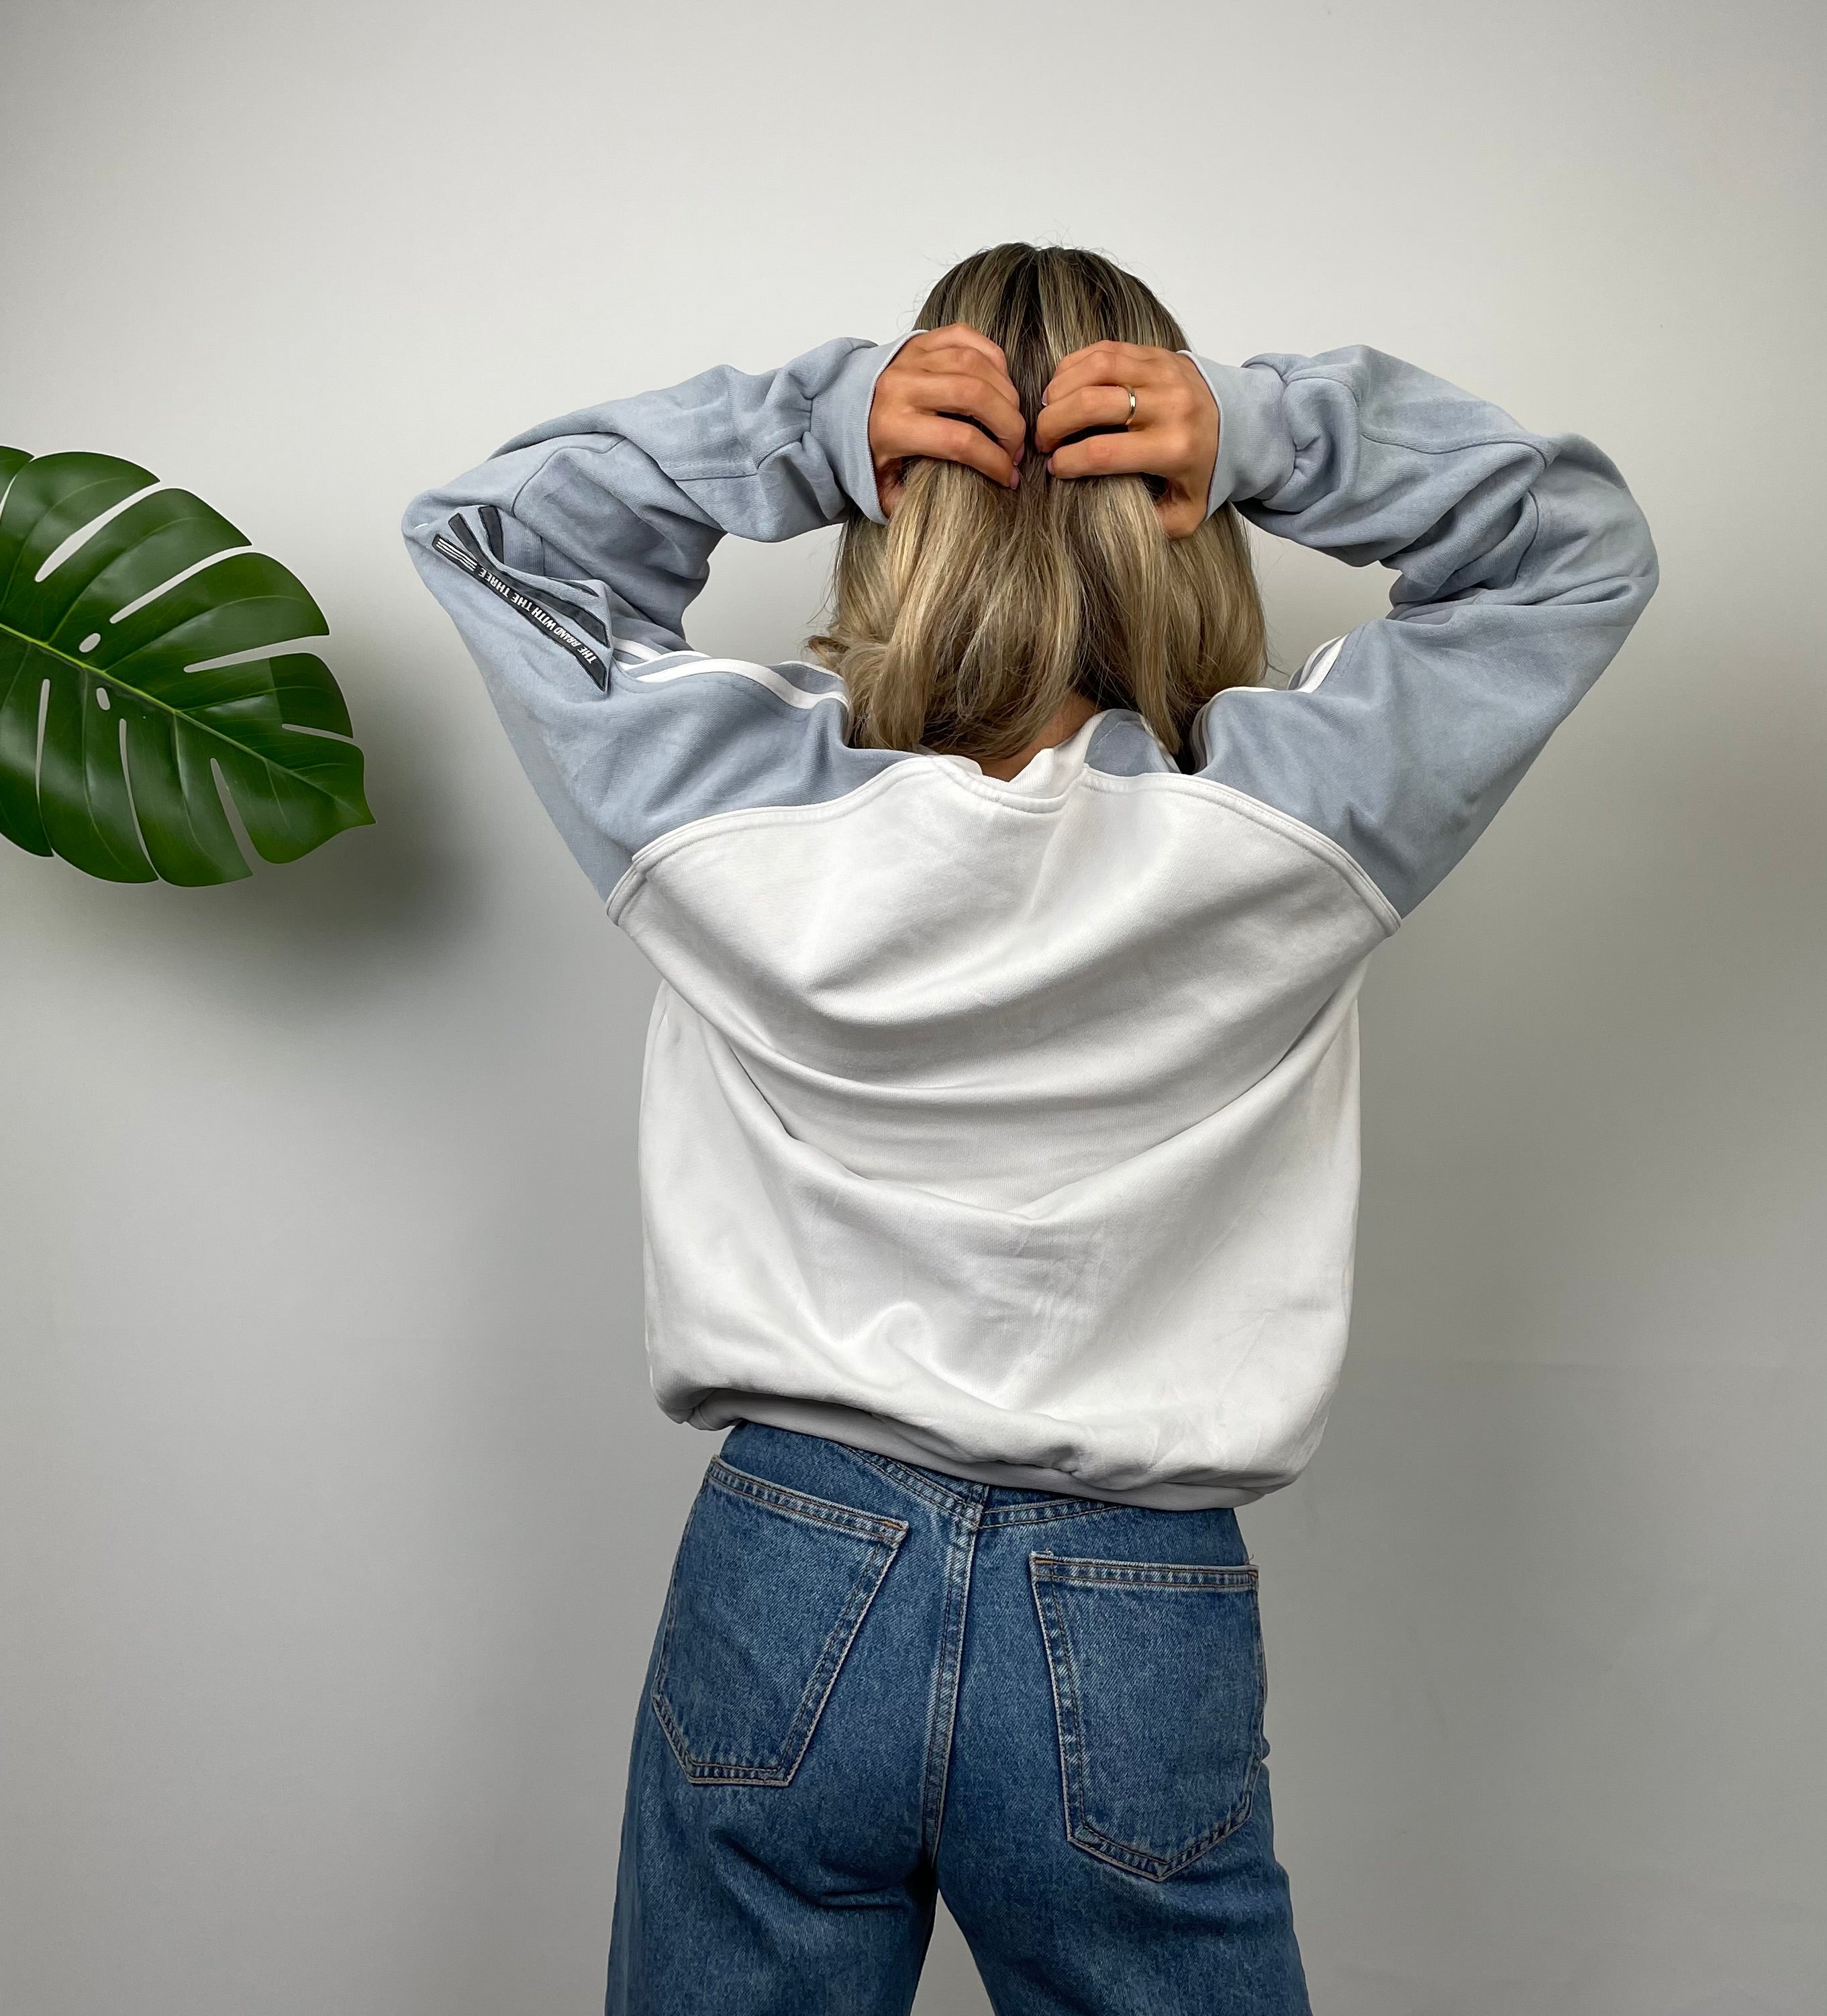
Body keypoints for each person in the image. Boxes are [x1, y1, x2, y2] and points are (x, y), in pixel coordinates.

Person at [402, 241, 1658, 2016]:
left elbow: (494, 534)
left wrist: (819, 422)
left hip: (791, 1558)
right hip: (1130, 1601)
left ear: (892, 520)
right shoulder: (1290, 829)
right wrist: (1280, 435)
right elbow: (1576, 549)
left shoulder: (726, 813)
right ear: (1191, 518)